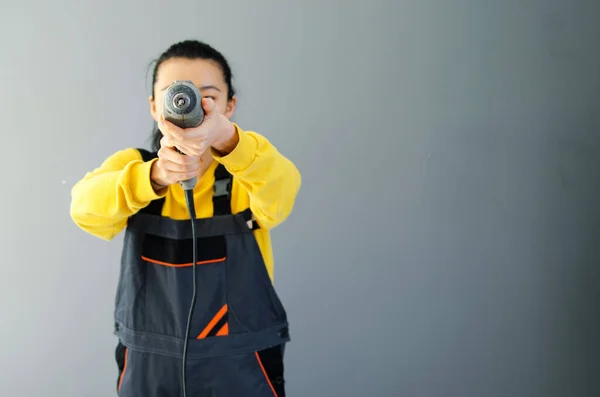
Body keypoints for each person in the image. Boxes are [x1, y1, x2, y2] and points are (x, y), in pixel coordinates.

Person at [70, 39, 301, 397]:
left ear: (230, 105)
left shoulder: (247, 175)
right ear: (154, 106)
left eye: (207, 95)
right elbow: (85, 210)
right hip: (150, 371)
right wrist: (155, 177)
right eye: (174, 93)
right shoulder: (133, 170)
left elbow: (282, 194)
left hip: (241, 369)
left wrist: (229, 141)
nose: (191, 103)